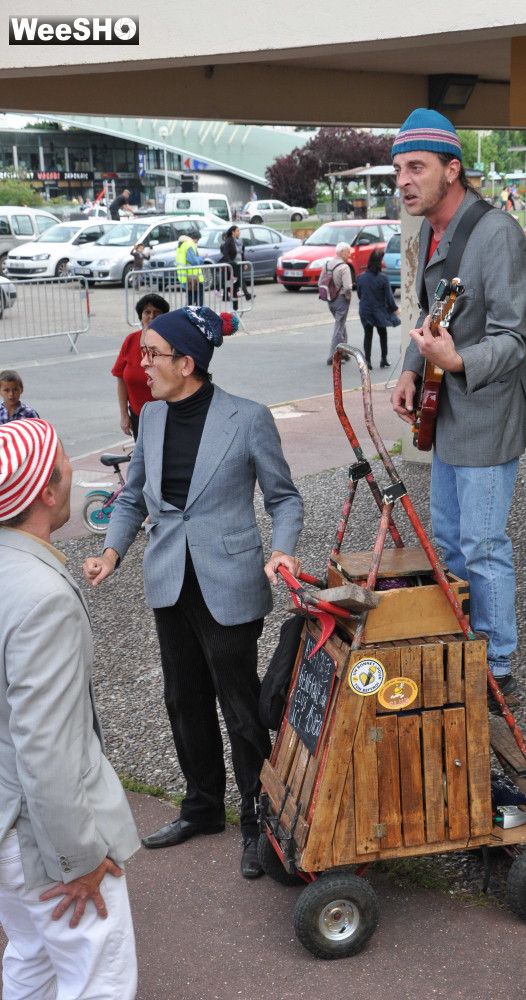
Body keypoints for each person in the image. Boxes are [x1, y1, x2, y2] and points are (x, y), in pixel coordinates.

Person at [82, 307, 304, 878]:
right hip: (169, 579)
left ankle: (259, 822)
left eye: (152, 354)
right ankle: (202, 807)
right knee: (183, 700)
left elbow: (284, 498)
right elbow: (133, 496)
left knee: (240, 707)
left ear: (187, 363)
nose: (141, 364)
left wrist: (283, 549)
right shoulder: (151, 417)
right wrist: (111, 552)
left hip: (228, 581)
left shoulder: (248, 417)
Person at [390, 108, 526, 709]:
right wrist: (410, 367)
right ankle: (464, 646)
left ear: (452, 169)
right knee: (448, 543)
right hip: (446, 410)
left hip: (489, 412)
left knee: (482, 544)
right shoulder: (431, 229)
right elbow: (432, 314)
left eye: (417, 167)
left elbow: (515, 338)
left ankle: (497, 668)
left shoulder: (496, 233)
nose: (404, 181)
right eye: (399, 169)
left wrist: (454, 361)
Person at [0, 418, 140, 999]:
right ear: (46, 492)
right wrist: (78, 857)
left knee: (30, 958)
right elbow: (47, 749)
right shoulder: (43, 597)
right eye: (64, 467)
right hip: (41, 835)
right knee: (97, 979)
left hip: (7, 824)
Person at [111, 292, 170, 439]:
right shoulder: (130, 340)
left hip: (167, 415)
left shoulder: (171, 341)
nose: (152, 316)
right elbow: (121, 379)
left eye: (157, 312)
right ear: (141, 316)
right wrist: (124, 414)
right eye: (147, 312)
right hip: (138, 415)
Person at [356, 249, 400, 369]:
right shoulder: (383, 278)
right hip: (379, 309)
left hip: (365, 309)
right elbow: (389, 297)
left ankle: (367, 361)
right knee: (383, 334)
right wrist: (395, 308)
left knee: (368, 335)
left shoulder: (361, 277)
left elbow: (359, 294)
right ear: (380, 263)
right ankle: (383, 359)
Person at [322, 242, 353, 365]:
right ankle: (333, 356)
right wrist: (348, 298)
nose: (349, 254)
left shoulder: (327, 265)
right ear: (342, 252)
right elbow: (348, 287)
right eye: (348, 252)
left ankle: (344, 352)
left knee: (341, 324)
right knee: (339, 328)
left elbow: (320, 282)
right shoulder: (344, 267)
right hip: (341, 299)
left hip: (330, 300)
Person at [221, 225, 251, 309]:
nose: (239, 232)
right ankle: (246, 294)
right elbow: (226, 253)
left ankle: (235, 306)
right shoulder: (229, 241)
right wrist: (230, 262)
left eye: (239, 231)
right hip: (233, 265)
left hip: (239, 264)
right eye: (237, 231)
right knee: (240, 280)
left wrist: (244, 262)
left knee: (235, 285)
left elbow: (242, 253)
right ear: (233, 232)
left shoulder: (239, 241)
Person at [176, 230, 205, 306]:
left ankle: (187, 313)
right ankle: (197, 313)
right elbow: (193, 261)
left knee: (190, 300)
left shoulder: (182, 244)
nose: (197, 242)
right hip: (193, 278)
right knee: (197, 300)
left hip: (186, 277)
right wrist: (202, 258)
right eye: (197, 239)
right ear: (195, 238)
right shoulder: (190, 244)